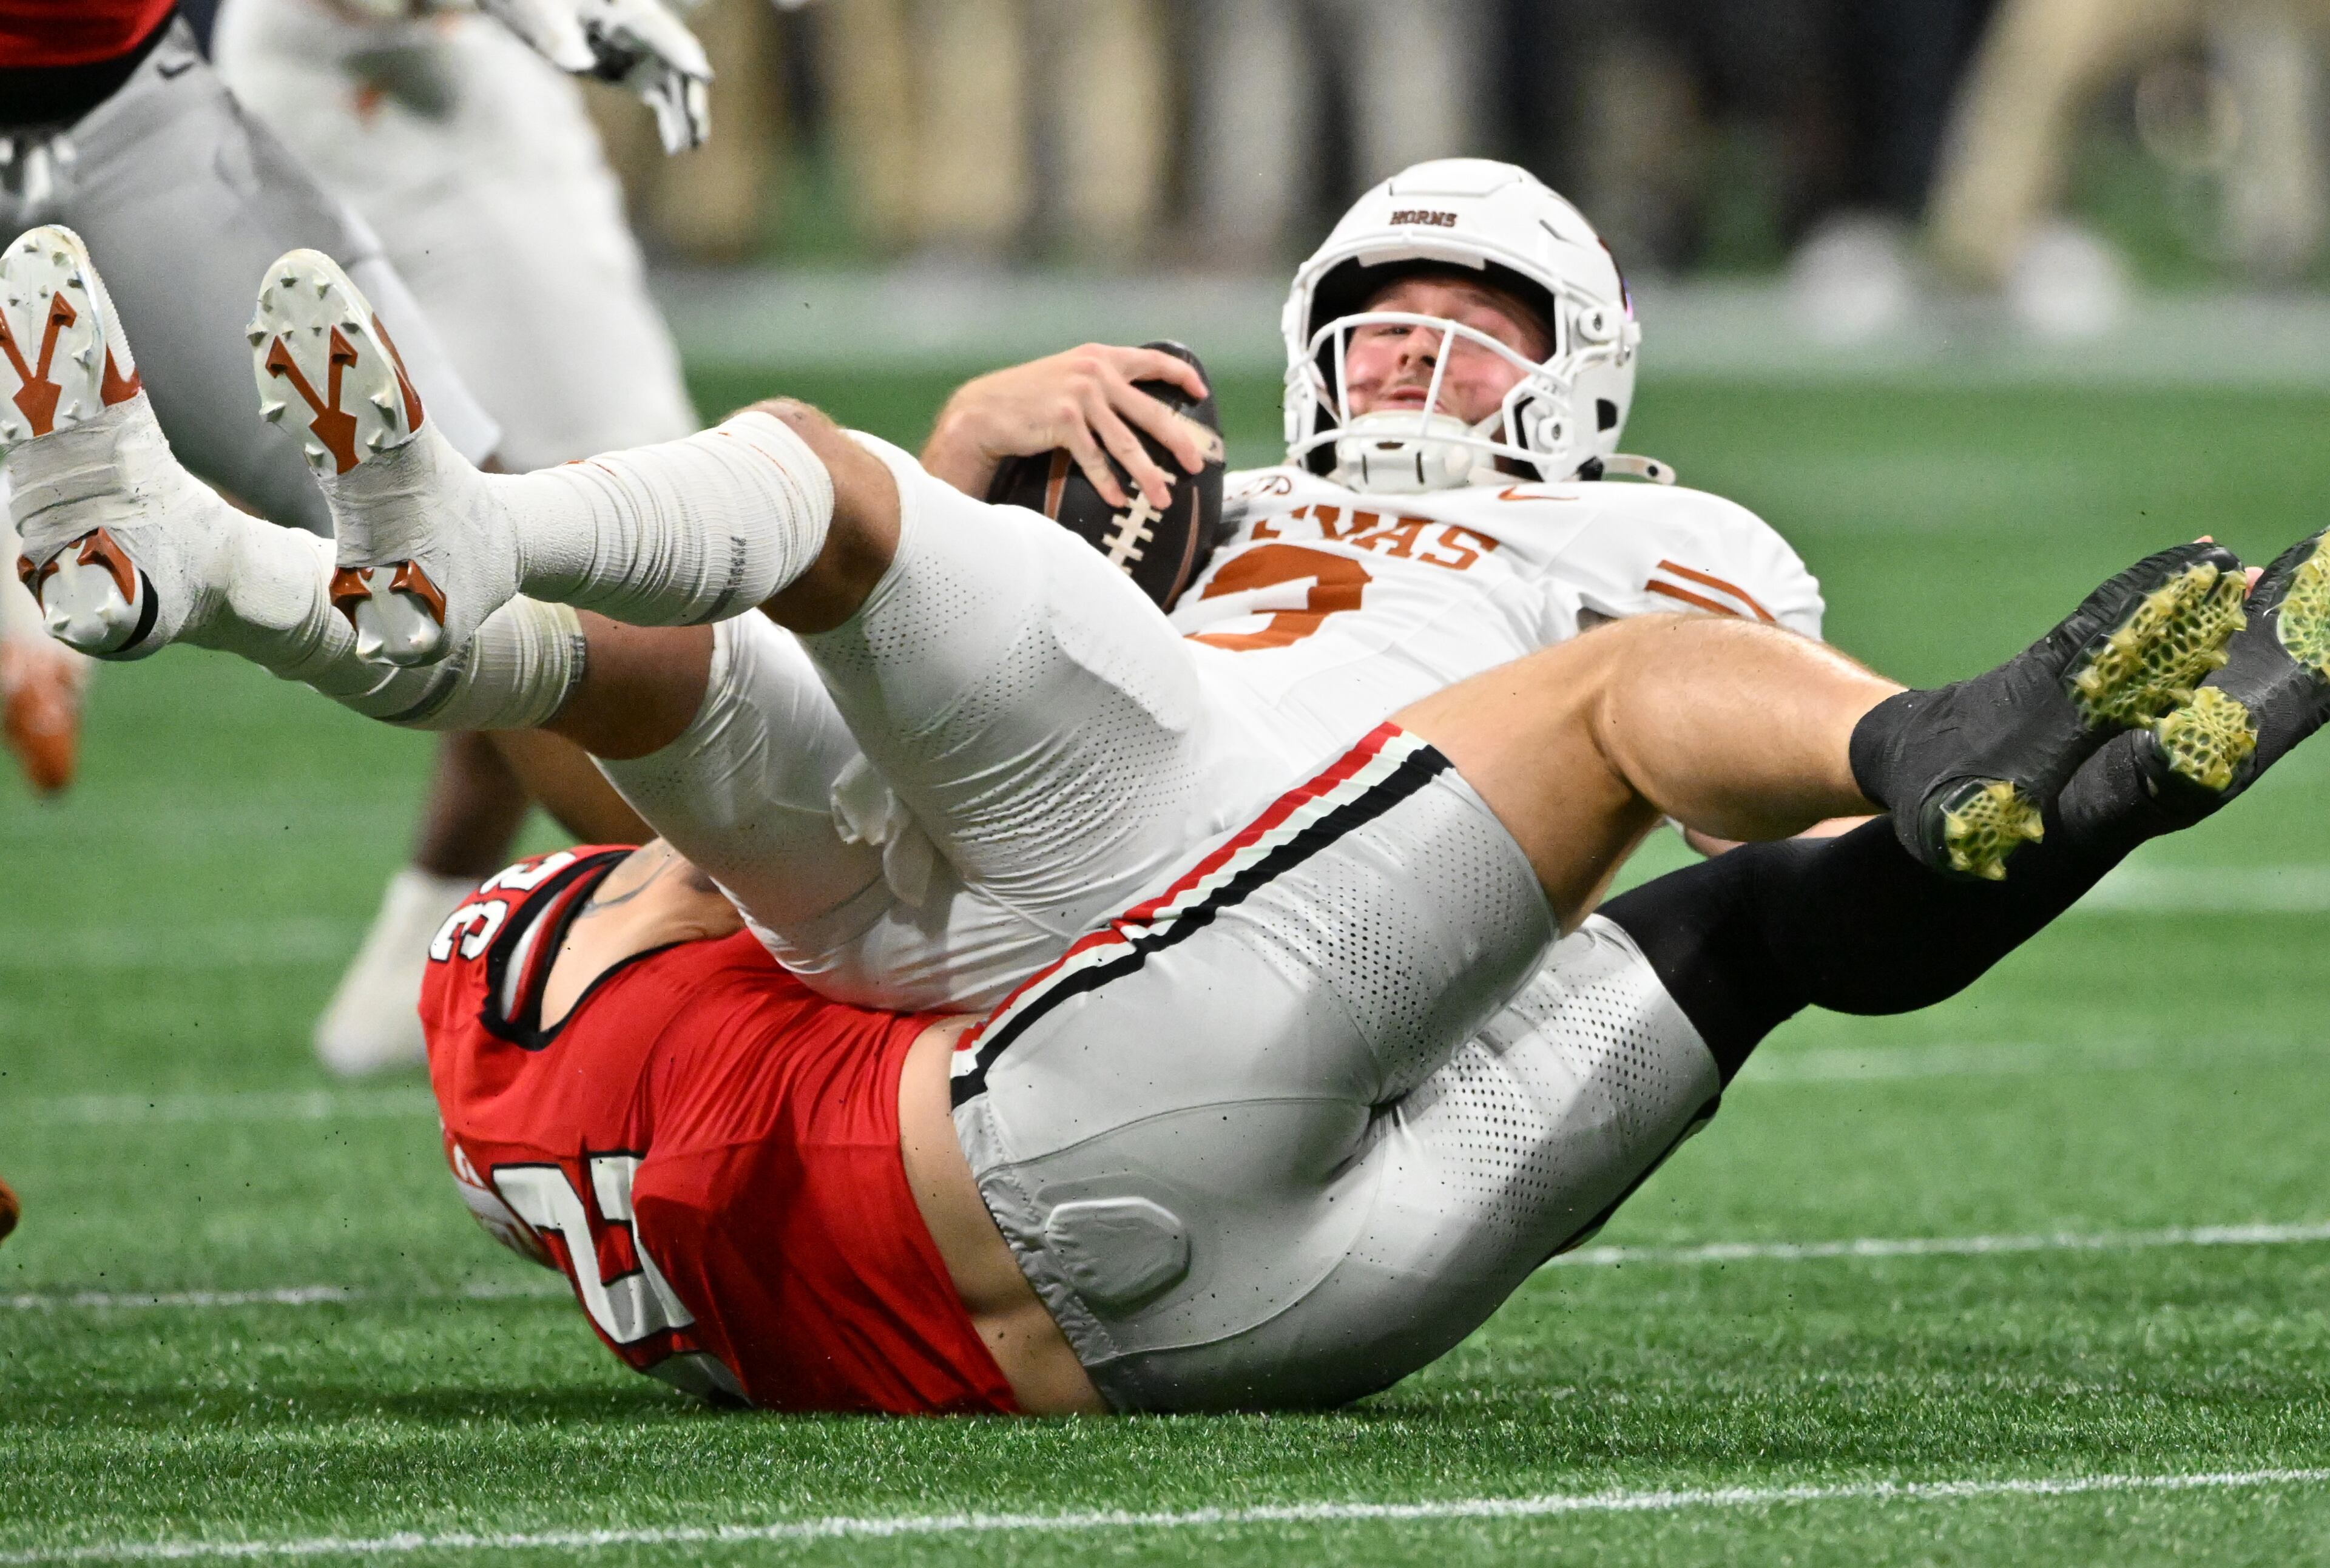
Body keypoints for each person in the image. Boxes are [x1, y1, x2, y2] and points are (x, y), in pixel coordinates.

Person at [12, 215, 2312, 1412]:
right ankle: (282, 565)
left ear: (1588, 381)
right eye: (1383, 321)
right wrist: (984, 466)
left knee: (804, 511)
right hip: (1122, 982)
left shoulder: (1665, 534)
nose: (1416, 362)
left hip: (1162, 927)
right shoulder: (1218, 500)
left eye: (1475, 331)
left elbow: (1794, 918)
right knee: (790, 562)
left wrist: (1955, 787)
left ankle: (347, 552)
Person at [211, 0, 703, 1075]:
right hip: (387, 90)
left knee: (596, 550)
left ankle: (400, 984)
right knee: (568, 556)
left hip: (474, 87)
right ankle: (713, 911)